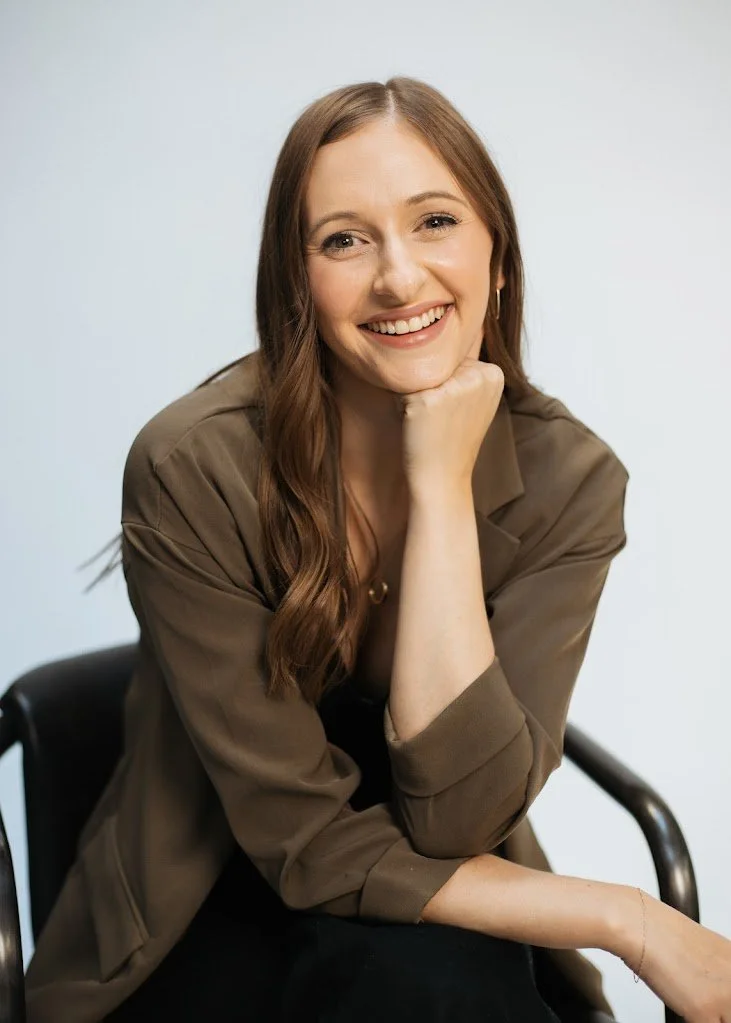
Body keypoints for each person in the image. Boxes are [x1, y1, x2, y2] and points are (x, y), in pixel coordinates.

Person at [24, 76, 731, 1023]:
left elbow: (455, 816)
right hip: (213, 887)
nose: (398, 277)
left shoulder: (571, 480)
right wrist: (623, 917)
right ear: (296, 279)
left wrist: (437, 487)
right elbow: (298, 838)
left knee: (444, 982)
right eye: (345, 239)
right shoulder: (192, 463)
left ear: (499, 256)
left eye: (434, 221)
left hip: (446, 869)